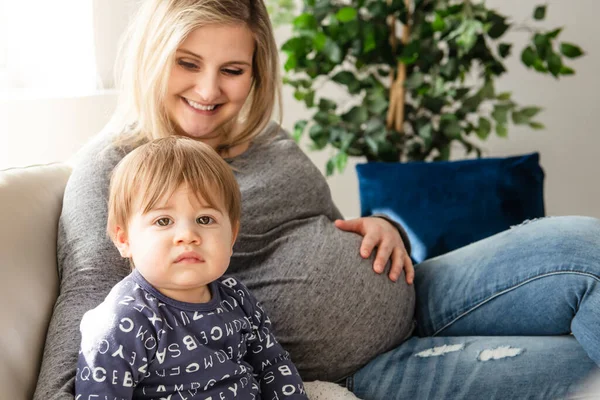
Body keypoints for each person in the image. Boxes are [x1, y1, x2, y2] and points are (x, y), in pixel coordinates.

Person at [35, 0, 600, 399]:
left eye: (232, 70)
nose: (209, 91)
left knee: (590, 247)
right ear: (152, 58)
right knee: (581, 369)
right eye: (188, 63)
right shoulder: (115, 169)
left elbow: (329, 228)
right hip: (361, 369)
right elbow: (87, 320)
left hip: (422, 289)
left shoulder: (266, 138)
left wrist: (384, 227)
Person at [75, 136, 307, 399]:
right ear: (124, 239)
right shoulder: (126, 320)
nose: (187, 235)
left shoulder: (236, 297)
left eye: (205, 219)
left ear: (231, 236)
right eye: (163, 221)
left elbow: (273, 366)